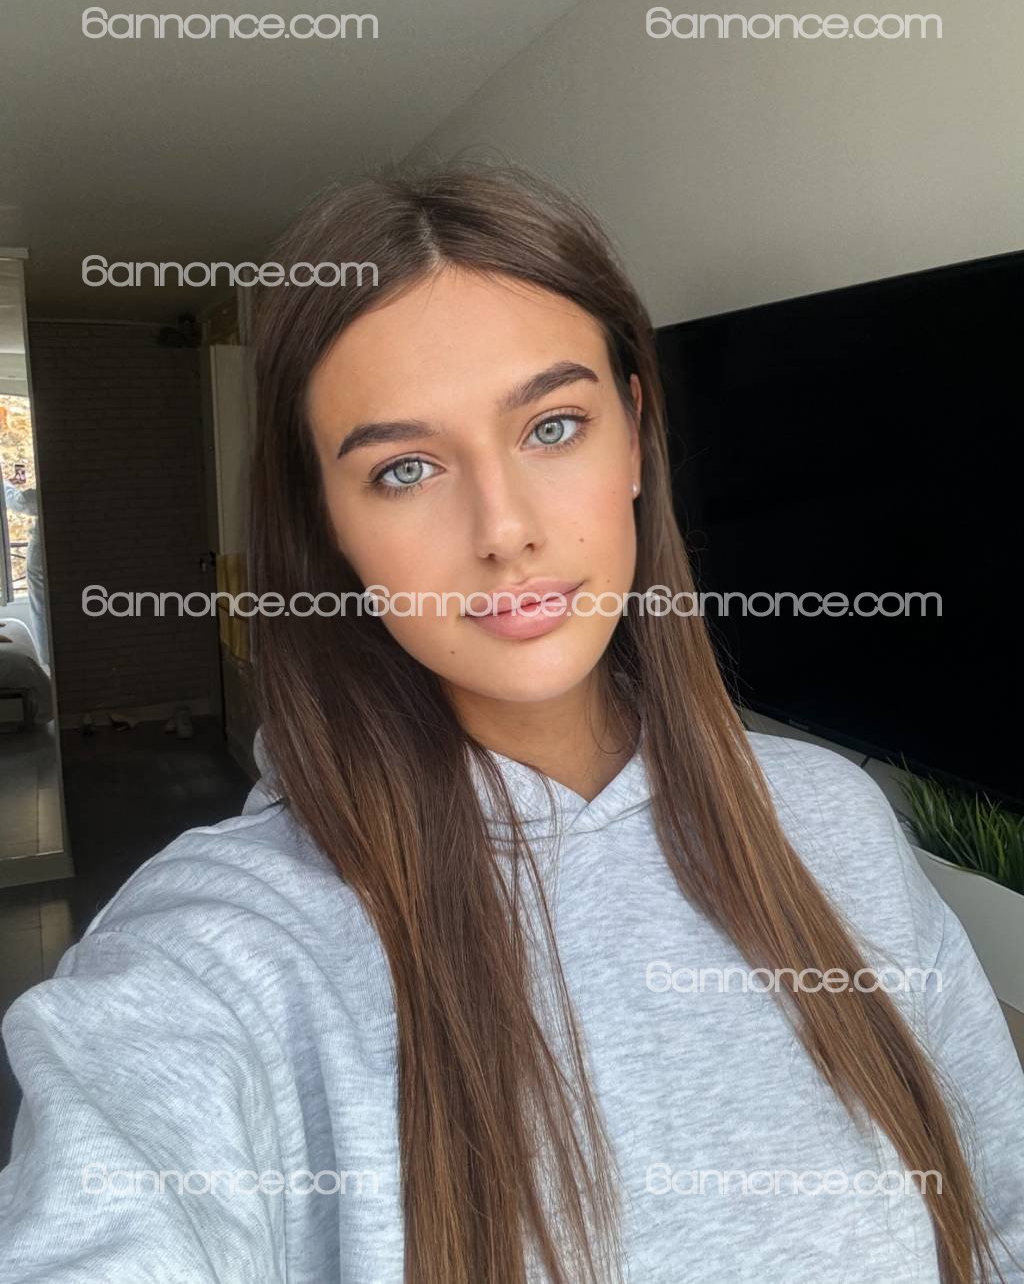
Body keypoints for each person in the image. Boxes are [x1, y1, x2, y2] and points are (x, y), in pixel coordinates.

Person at [0, 164, 1021, 1284]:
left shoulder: (832, 825)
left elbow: (1001, 1213)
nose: (504, 529)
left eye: (553, 425)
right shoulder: (228, 944)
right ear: (328, 522)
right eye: (404, 468)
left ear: (633, 437)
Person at [2, 466, 49, 668]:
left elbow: (22, 502)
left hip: (42, 553)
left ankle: (48, 662)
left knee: (41, 609)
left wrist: (4, 485)